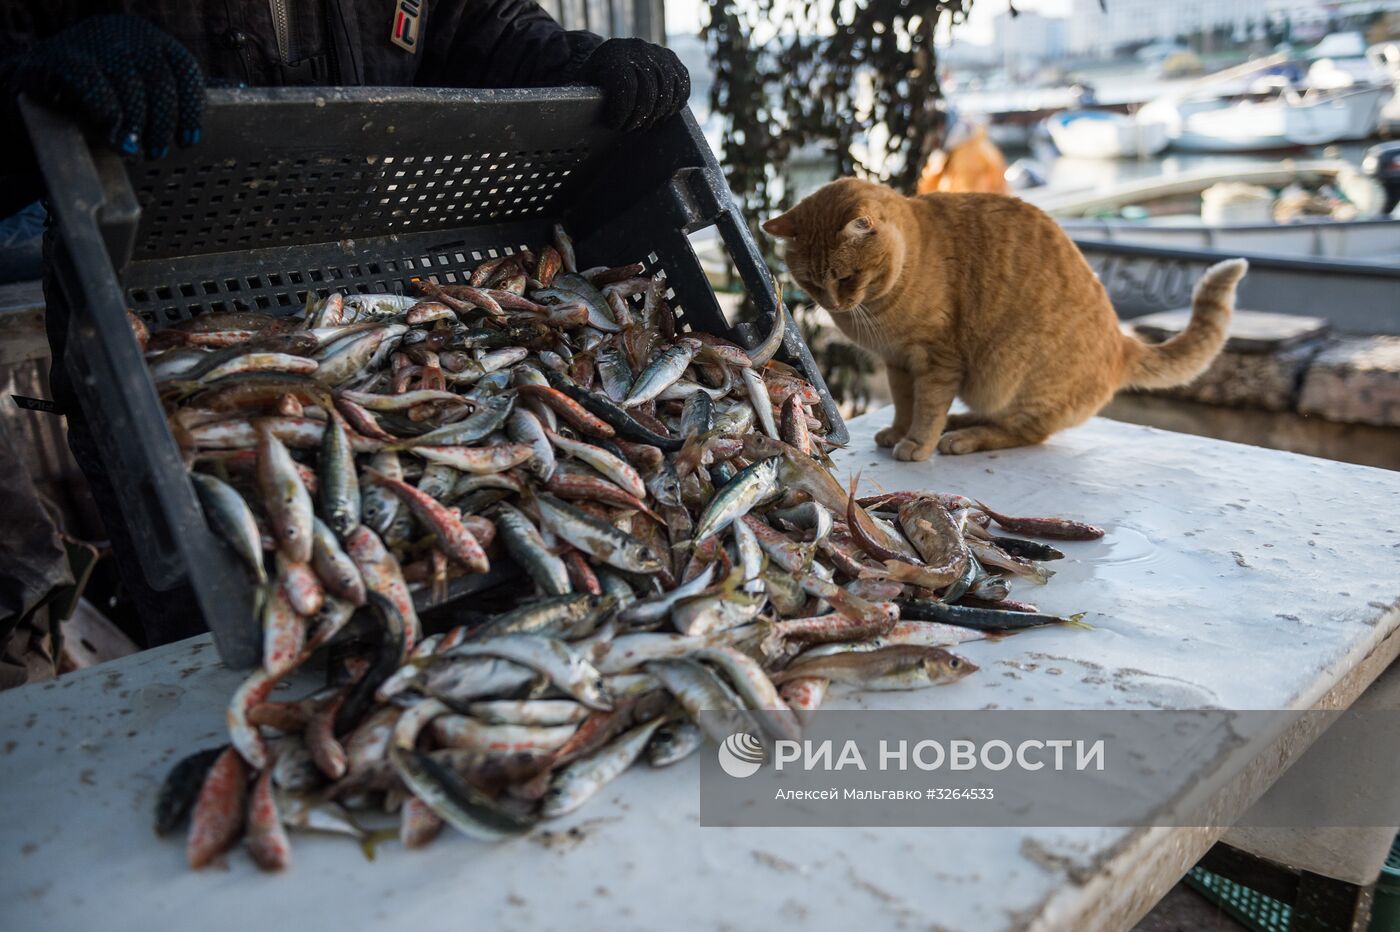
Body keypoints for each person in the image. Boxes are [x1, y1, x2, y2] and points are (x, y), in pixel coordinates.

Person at [0, 2, 691, 647]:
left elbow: (480, 24)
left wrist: (574, 64)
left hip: (354, 308)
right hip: (146, 331)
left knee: (437, 628)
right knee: (237, 635)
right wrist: (29, 77)